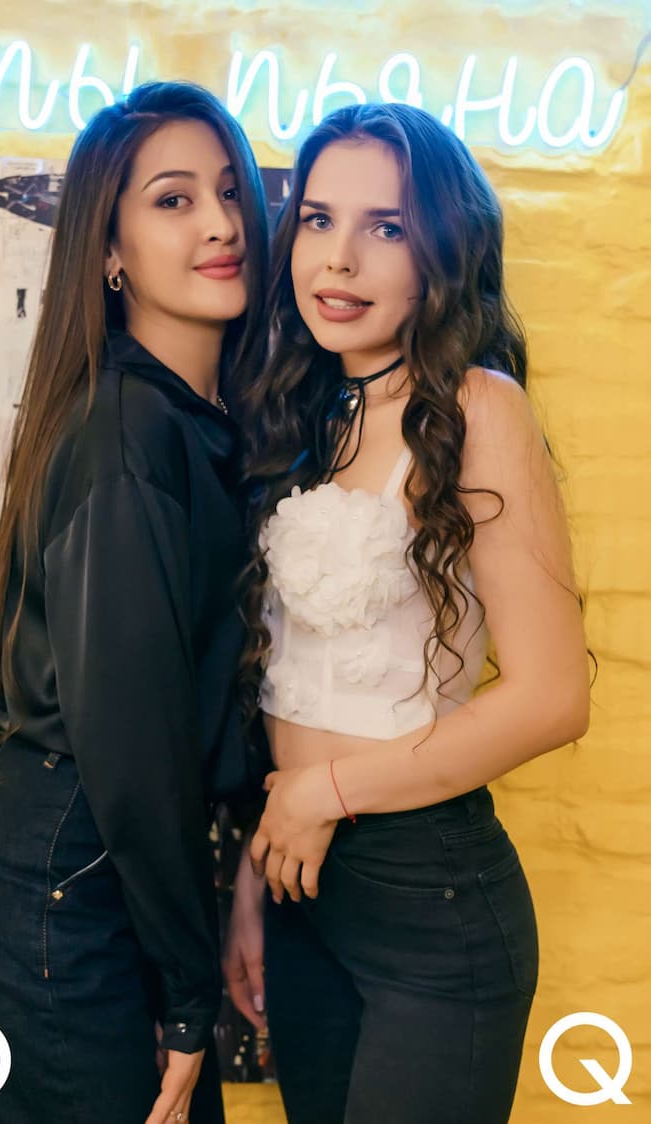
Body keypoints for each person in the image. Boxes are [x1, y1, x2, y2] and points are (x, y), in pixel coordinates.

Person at [224, 103, 591, 1124]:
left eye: (385, 227)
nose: (337, 258)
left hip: (429, 899)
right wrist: (259, 863)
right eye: (317, 219)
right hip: (301, 885)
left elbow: (554, 697)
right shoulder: (310, 410)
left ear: (442, 252)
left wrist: (323, 792)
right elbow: (292, 679)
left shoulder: (480, 406)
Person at [0, 80, 269, 1124]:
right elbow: (135, 742)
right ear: (110, 251)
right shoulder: (132, 436)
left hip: (83, 872)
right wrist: (188, 999)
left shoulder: (188, 421)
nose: (220, 224)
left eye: (229, 192)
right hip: (61, 896)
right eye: (173, 200)